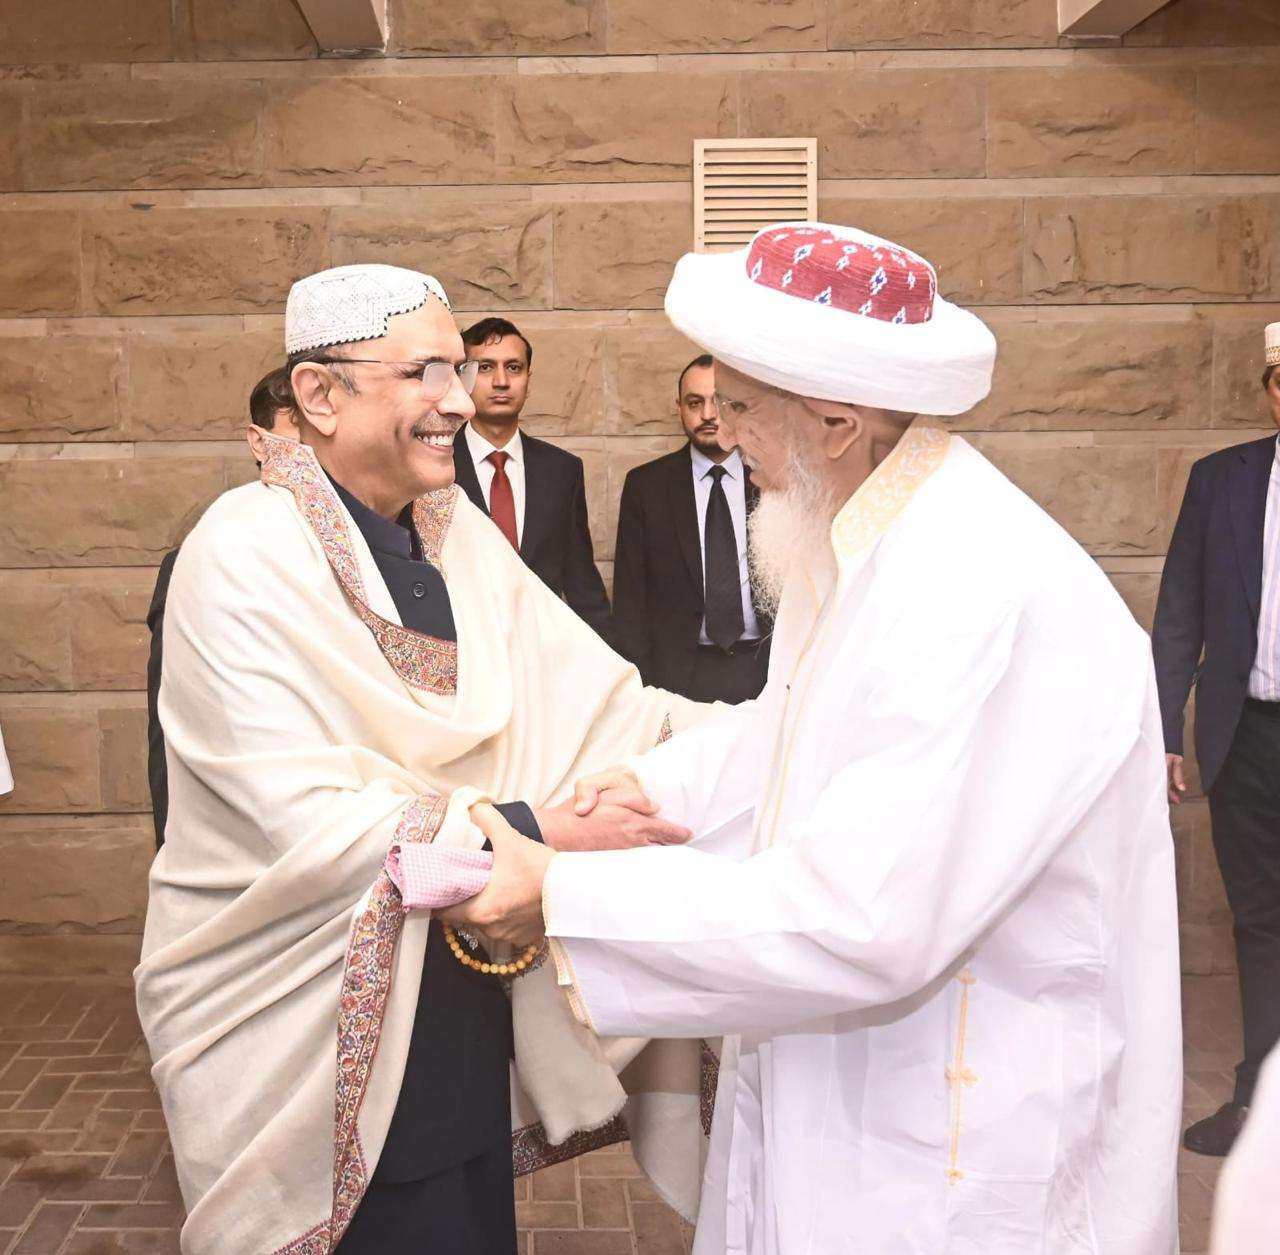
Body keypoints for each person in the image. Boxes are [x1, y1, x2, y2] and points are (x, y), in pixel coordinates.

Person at [444, 224, 1183, 1254]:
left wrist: (559, 897)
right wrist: (647, 790)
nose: (718, 432)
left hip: (954, 1136)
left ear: (835, 420)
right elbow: (790, 731)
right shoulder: (851, 526)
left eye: (739, 407)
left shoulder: (971, 586)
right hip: (850, 1091)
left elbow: (862, 913)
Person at [134, 265, 712, 1255]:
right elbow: (306, 821)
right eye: (424, 371)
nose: (459, 398)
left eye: (460, 368)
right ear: (317, 395)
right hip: (303, 1030)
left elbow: (602, 704)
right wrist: (538, 834)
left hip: (458, 1024)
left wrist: (758, 740)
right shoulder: (239, 555)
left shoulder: (456, 539)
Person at [1152, 320, 1280, 1156]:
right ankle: (1261, 1107)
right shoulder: (1221, 481)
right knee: (1261, 922)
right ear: (1271, 388)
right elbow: (1179, 618)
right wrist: (1162, 729)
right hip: (1250, 738)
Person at [144, 366, 301, 849]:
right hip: (242, 840)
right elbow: (170, 724)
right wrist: (177, 850)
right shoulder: (209, 553)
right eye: (300, 435)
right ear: (259, 443)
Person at [612, 354, 771, 702]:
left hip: (764, 672)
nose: (708, 414)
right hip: (678, 678)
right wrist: (643, 692)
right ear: (679, 408)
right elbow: (630, 603)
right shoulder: (646, 486)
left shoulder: (770, 479)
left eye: (719, 402)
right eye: (695, 403)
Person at [453, 316, 613, 642]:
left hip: (546, 655)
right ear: (462, 377)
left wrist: (616, 671)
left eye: (513, 368)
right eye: (485, 367)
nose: (501, 381)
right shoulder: (436, 467)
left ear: (528, 379)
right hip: (466, 655)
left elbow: (582, 584)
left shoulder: (562, 471)